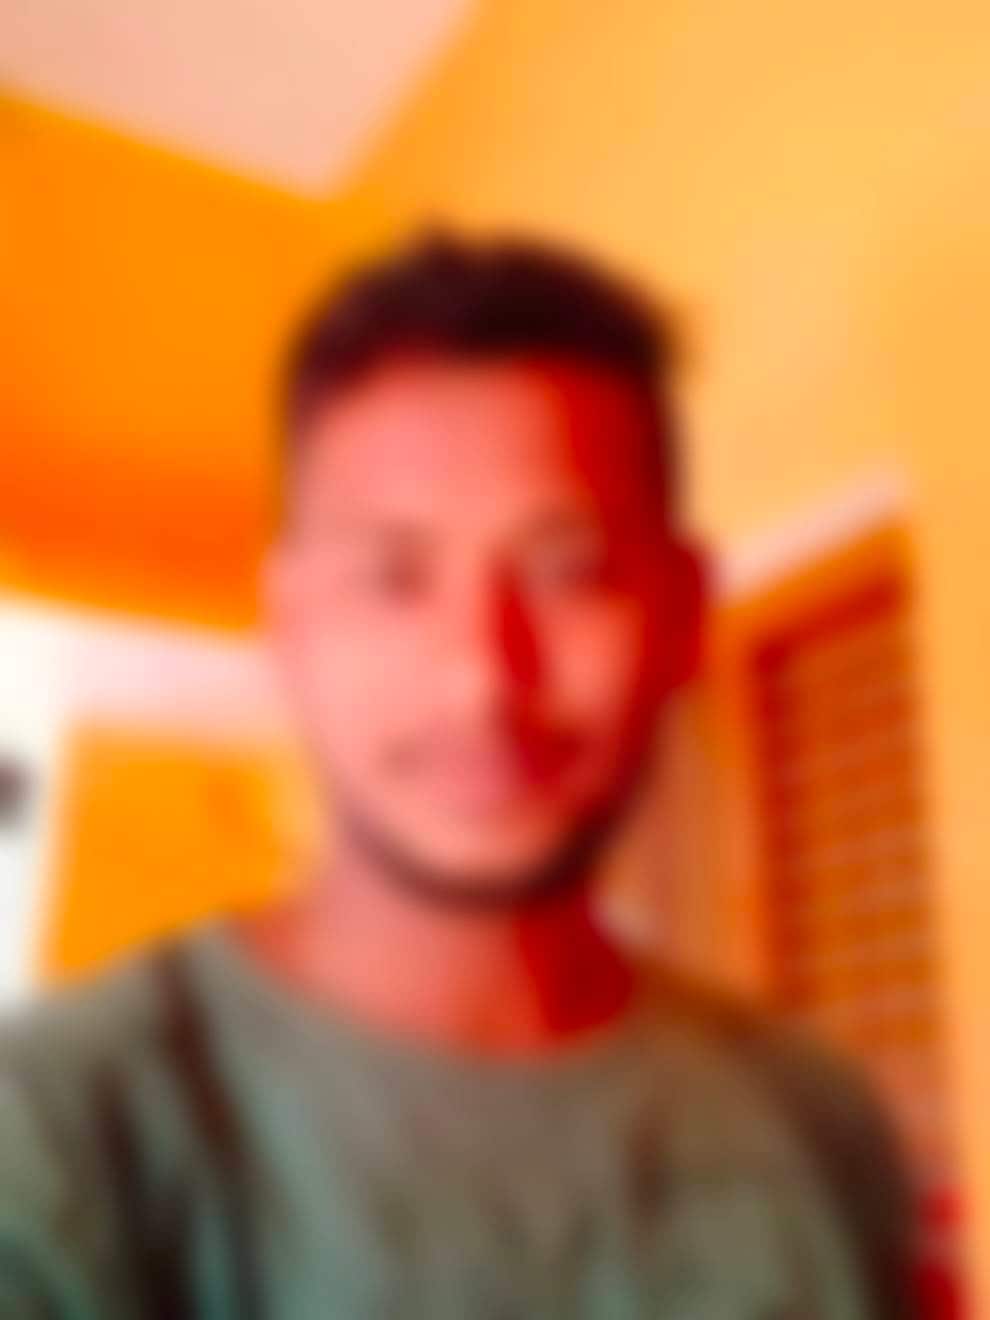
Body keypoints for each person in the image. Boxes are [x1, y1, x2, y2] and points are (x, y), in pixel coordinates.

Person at [0, 234, 915, 1318]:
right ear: (290, 627)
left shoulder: (820, 1122)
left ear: (680, 612)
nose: (484, 675)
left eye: (568, 572)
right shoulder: (59, 1132)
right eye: (392, 578)